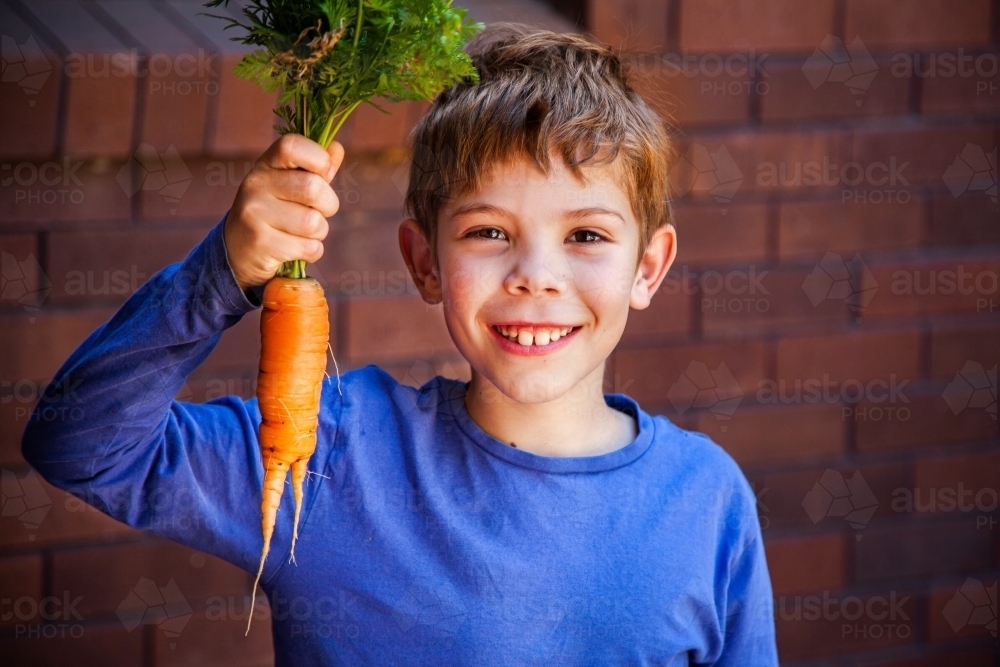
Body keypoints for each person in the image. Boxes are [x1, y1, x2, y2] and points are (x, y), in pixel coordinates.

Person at [22, 22, 778, 666]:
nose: (535, 276)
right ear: (424, 262)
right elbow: (80, 443)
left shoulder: (708, 499)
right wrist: (221, 270)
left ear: (648, 266)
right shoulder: (331, 455)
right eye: (489, 232)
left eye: (585, 235)